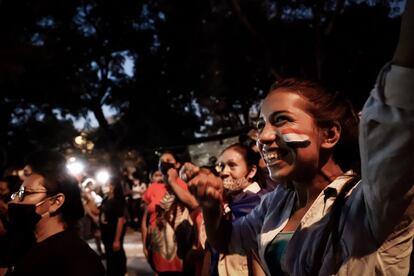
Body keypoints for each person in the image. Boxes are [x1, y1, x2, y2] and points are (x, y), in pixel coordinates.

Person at [189, 2, 414, 275]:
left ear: (329, 134)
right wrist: (211, 208)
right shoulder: (275, 204)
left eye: (281, 120)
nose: (263, 137)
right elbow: (227, 240)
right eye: (261, 125)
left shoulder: (371, 205)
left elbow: (399, 109)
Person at [6, 150, 105, 275]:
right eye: (18, 194)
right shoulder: (29, 247)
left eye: (26, 194)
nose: (13, 201)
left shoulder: (76, 259)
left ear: (55, 202)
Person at [208, 143, 266, 276]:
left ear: (251, 171)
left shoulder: (261, 203)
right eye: (221, 166)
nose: (224, 172)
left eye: (232, 165)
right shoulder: (227, 201)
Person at [142, 152, 198, 275]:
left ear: (177, 164)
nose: (164, 163)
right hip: (158, 246)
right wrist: (144, 244)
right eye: (161, 161)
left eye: (168, 160)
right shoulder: (153, 188)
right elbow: (145, 219)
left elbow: (194, 204)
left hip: (180, 247)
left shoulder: (186, 186)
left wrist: (172, 181)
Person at [99, 174, 127, 276]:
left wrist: (117, 240)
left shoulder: (117, 202)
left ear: (113, 186)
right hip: (106, 233)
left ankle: (120, 272)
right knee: (109, 256)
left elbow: (120, 220)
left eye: (107, 184)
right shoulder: (105, 199)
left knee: (116, 255)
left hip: (114, 233)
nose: (104, 186)